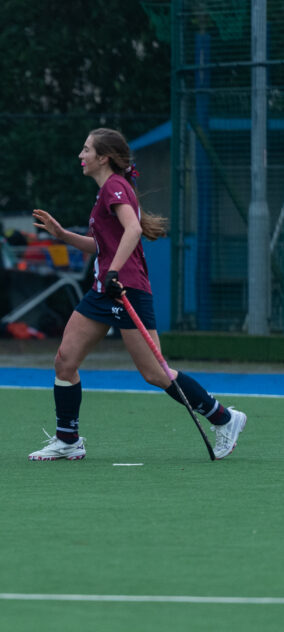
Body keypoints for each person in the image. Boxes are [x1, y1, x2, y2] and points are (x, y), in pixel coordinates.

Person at [27, 128, 246, 461]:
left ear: (103, 158)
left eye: (86, 150)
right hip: (103, 292)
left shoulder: (115, 186)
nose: (80, 156)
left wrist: (114, 272)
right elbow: (101, 246)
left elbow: (132, 230)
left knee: (155, 373)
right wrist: (62, 234)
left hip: (126, 289)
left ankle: (225, 419)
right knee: (65, 361)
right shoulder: (105, 192)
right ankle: (68, 440)